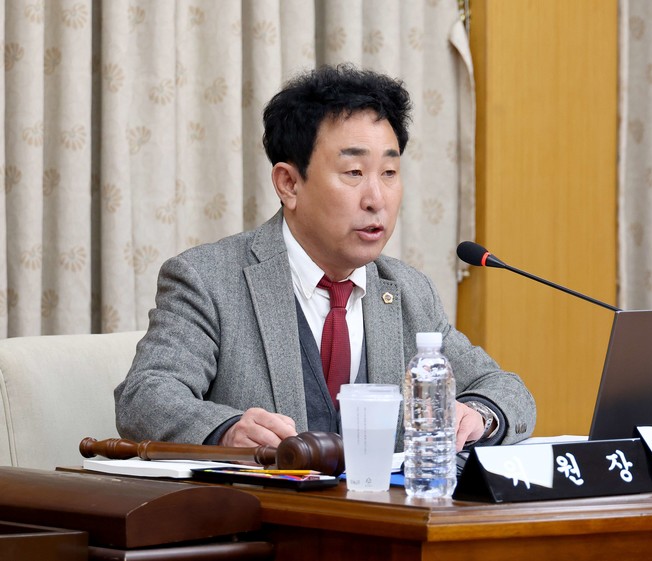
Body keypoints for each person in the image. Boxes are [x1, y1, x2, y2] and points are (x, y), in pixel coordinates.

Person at [115, 65, 536, 452]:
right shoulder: (208, 279)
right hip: (262, 507)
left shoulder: (408, 291)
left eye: (389, 173)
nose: (376, 199)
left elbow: (505, 390)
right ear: (289, 184)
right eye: (354, 173)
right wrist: (225, 430)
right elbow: (145, 395)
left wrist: (479, 416)